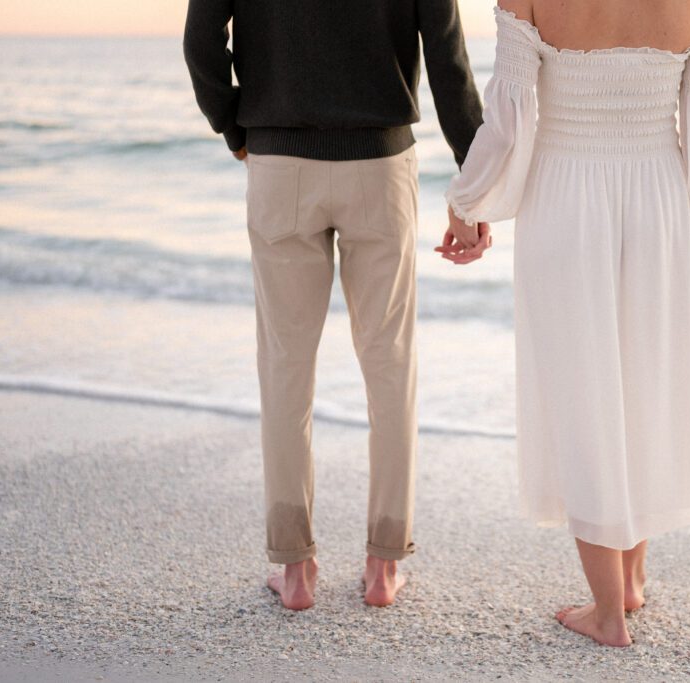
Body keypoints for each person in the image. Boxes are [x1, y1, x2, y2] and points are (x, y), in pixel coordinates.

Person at [439, 0, 690, 646]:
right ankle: (629, 580)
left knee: (585, 398)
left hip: (567, 198)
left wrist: (468, 202)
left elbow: (510, 116)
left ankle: (607, 612)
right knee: (643, 387)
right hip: (661, 201)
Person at [183, 0, 483, 609]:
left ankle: (295, 572)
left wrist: (237, 128)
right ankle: (383, 565)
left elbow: (200, 42)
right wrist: (472, 179)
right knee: (390, 367)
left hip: (280, 163)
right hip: (380, 165)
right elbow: (448, 58)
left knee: (286, 369)